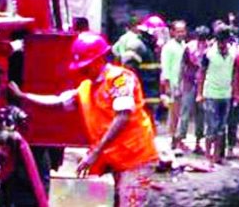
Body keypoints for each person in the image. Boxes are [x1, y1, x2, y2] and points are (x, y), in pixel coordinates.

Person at [9, 32, 158, 206]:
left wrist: (95, 152)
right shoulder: (86, 87)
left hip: (136, 158)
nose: (83, 70)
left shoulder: (120, 79)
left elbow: (123, 116)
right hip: (118, 160)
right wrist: (24, 96)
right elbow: (58, 101)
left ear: (100, 59)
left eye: (87, 65)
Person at [197, 28, 236, 163]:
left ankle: (217, 155)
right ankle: (208, 155)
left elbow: (234, 73)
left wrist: (236, 92)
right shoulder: (208, 54)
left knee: (221, 128)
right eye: (220, 41)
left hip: (226, 94)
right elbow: (201, 73)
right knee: (211, 127)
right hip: (211, 94)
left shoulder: (232, 53)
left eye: (225, 41)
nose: (222, 44)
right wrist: (200, 93)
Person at [176, 25, 209, 154]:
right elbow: (182, 66)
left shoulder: (209, 49)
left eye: (204, 38)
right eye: (200, 38)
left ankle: (198, 142)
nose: (202, 41)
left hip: (203, 85)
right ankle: (179, 141)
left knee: (201, 114)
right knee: (185, 112)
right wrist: (179, 85)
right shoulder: (189, 48)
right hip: (189, 83)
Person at [161, 21, 187, 143]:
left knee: (182, 113)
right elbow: (165, 68)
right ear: (172, 32)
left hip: (184, 84)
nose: (181, 34)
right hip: (173, 84)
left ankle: (178, 138)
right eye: (179, 31)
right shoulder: (168, 47)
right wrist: (167, 86)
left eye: (183, 31)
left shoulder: (184, 45)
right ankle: (172, 138)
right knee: (174, 113)